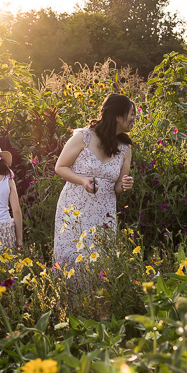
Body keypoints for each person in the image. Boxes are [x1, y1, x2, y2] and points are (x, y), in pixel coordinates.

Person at [52, 94, 135, 274]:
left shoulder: (125, 149)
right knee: (71, 259)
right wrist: (82, 180)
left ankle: (94, 302)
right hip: (74, 209)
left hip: (103, 213)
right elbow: (60, 167)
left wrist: (125, 184)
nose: (134, 119)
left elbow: (118, 187)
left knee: (99, 261)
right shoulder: (84, 137)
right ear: (117, 116)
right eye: (131, 114)